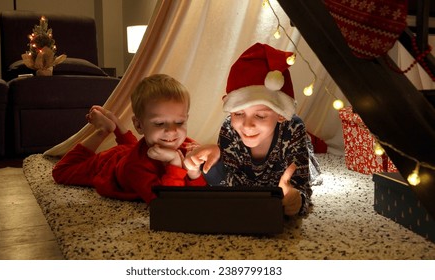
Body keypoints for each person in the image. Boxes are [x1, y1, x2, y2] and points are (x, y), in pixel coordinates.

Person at [184, 43, 320, 216]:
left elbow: (302, 187)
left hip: (290, 153)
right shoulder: (229, 128)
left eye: (260, 116)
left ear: (280, 115)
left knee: (310, 167)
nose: (247, 125)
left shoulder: (292, 128)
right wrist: (215, 163)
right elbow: (228, 187)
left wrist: (296, 199)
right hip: (254, 175)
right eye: (239, 113)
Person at [52, 74, 207, 203]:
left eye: (179, 122)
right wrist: (174, 163)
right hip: (111, 164)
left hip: (134, 148)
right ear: (138, 126)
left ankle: (117, 126)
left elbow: (203, 195)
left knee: (134, 146)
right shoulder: (135, 166)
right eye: (160, 123)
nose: (172, 131)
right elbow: (166, 205)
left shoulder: (188, 147)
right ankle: (103, 129)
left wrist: (194, 173)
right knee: (62, 172)